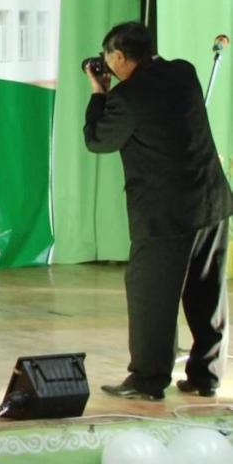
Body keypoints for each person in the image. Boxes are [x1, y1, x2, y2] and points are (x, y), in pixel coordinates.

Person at [84, 22, 232, 401]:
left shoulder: (126, 98)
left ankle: (148, 380)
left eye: (108, 57)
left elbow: (98, 140)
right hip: (211, 201)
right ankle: (206, 376)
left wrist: (99, 92)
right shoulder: (184, 72)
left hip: (165, 215)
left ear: (119, 56)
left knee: (151, 294)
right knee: (207, 292)